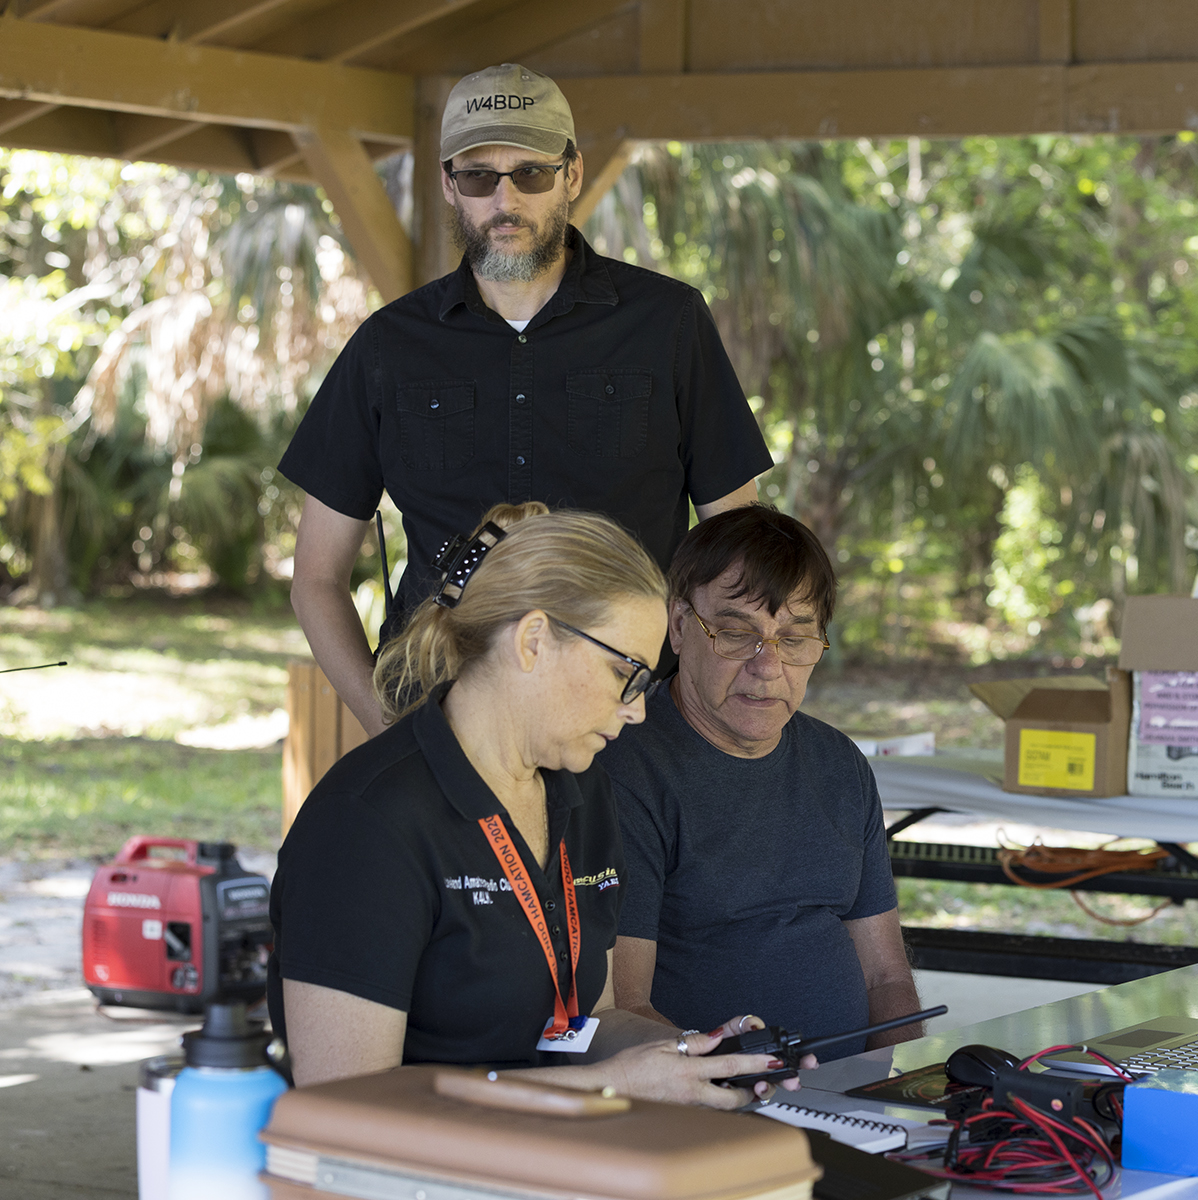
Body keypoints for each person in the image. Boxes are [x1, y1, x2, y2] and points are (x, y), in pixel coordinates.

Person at [280, 62, 771, 737]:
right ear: (450, 185)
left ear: (571, 174)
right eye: (480, 176)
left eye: (531, 173)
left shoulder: (669, 323)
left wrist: (698, 717)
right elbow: (316, 578)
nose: (505, 201)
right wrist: (389, 729)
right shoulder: (388, 346)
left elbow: (736, 553)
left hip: (634, 727)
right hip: (444, 722)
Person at [270, 502, 799, 1103]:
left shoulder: (583, 789)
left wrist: (692, 1056)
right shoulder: (367, 821)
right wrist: (606, 1085)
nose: (638, 708)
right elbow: (347, 1105)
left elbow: (580, 1022)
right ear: (533, 640)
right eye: (627, 673)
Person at [603, 506, 921, 1057]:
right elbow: (622, 1008)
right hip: (706, 1108)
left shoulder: (839, 764)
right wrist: (734, 1081)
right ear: (678, 626)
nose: (767, 664)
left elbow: (886, 980)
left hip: (850, 1106)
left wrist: (904, 1092)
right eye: (735, 633)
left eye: (794, 639)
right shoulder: (627, 767)